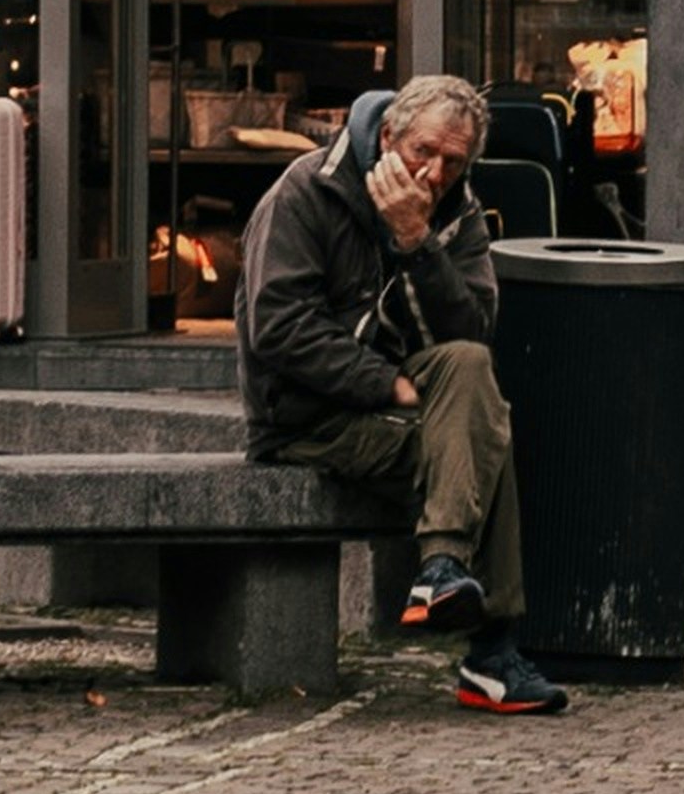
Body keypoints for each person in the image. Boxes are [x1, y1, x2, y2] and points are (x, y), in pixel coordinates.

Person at [235, 74, 568, 716]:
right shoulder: (306, 192)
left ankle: (442, 570)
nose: (436, 172)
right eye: (424, 152)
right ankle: (492, 654)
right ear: (388, 136)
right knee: (482, 433)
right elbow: (278, 328)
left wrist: (417, 244)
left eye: (453, 161)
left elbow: (471, 332)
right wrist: (384, 382)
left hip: (401, 405)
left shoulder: (455, 211)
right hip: (306, 418)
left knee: (473, 378)